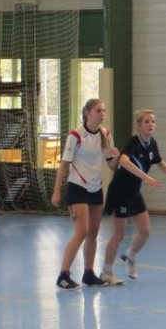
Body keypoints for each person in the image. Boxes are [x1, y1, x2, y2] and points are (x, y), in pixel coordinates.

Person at [100, 109, 166, 285]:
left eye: (153, 121)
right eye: (146, 121)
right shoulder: (133, 143)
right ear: (139, 126)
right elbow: (123, 161)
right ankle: (106, 272)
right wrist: (147, 178)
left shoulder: (152, 143)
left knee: (145, 231)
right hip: (120, 192)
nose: (151, 124)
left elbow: (159, 161)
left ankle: (130, 257)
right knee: (118, 234)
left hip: (134, 192)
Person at [50, 98, 121, 289]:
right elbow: (64, 164)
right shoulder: (76, 135)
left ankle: (88, 274)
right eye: (98, 110)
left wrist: (116, 157)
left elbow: (111, 164)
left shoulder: (106, 134)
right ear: (88, 112)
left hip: (96, 187)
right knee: (81, 232)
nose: (102, 114)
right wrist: (56, 191)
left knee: (93, 233)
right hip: (77, 187)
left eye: (104, 110)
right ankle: (63, 275)